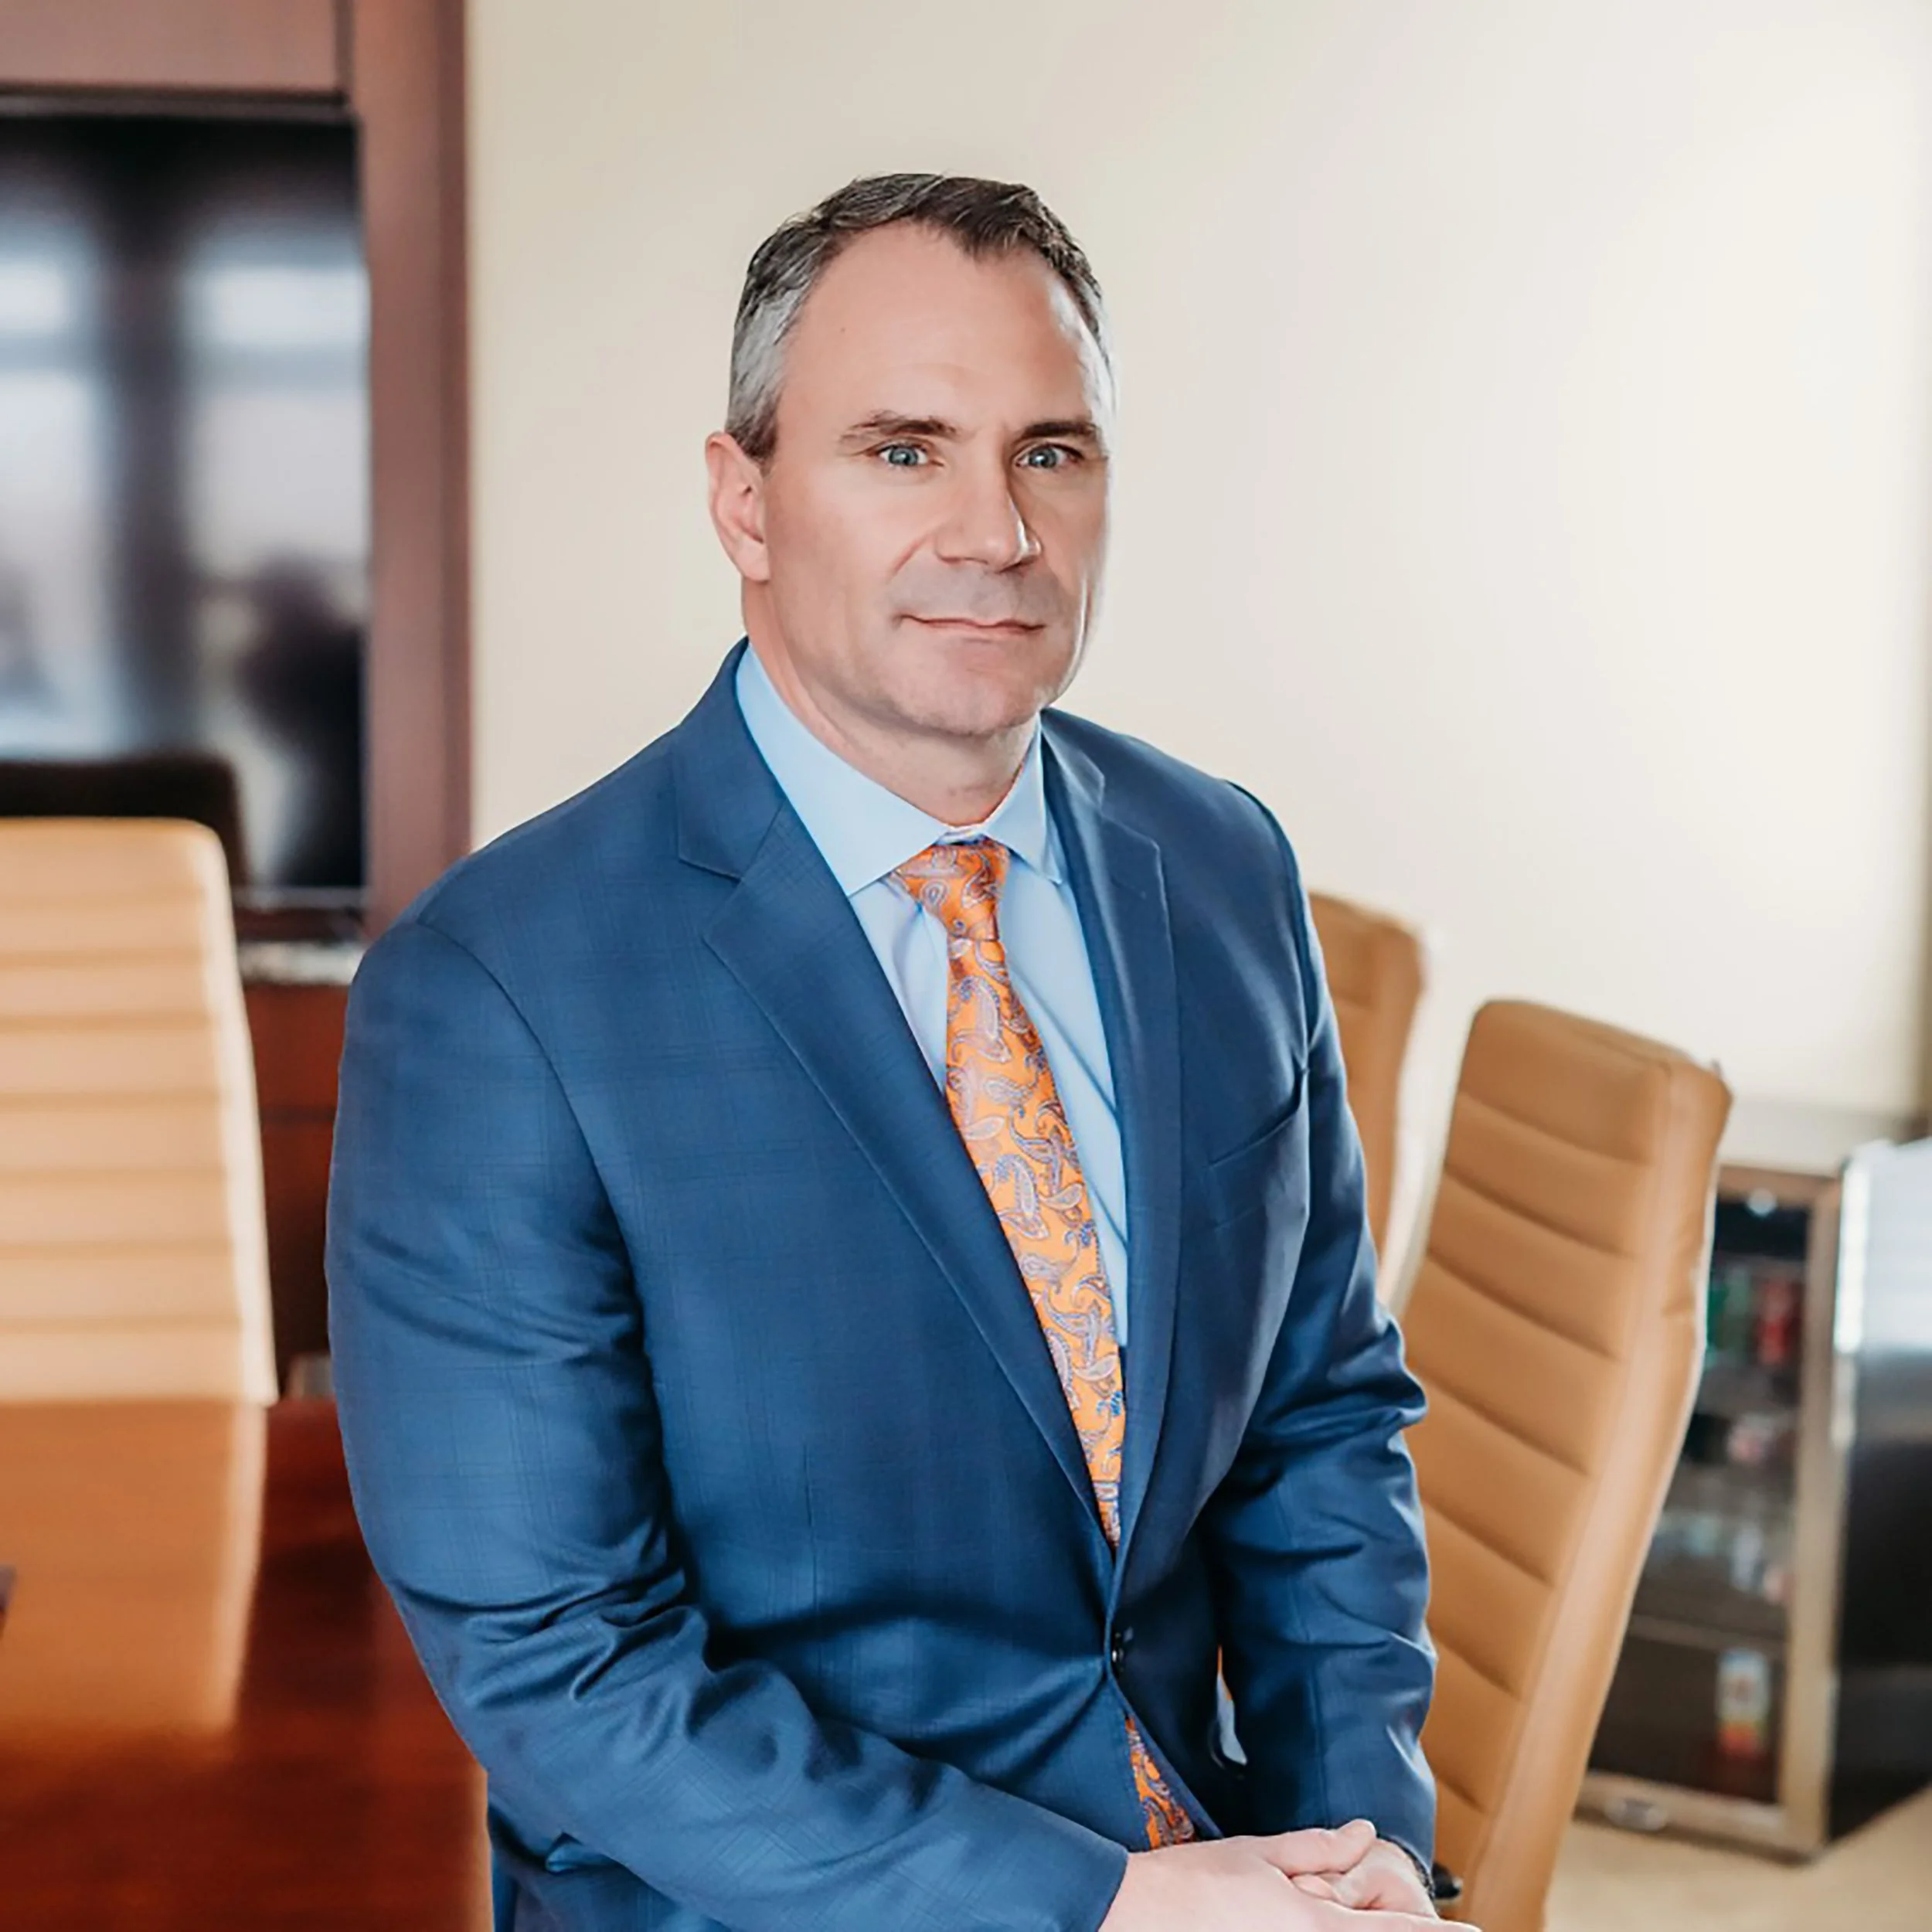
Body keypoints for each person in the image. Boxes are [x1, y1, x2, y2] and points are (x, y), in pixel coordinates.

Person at [329, 173, 1447, 1932]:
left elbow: (1317, 1419)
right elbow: (563, 1664)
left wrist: (1357, 1843)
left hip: (1240, 1872)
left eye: (1049, 452)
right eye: (904, 450)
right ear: (746, 500)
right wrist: (1106, 1907)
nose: (994, 529)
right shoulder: (496, 991)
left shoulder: (1221, 865)